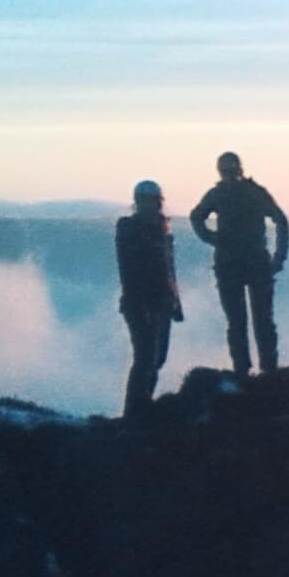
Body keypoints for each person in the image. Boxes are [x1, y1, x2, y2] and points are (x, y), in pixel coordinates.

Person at [189, 152, 289, 375]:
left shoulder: (221, 193)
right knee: (255, 321)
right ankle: (264, 370)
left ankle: (248, 371)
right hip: (249, 263)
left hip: (234, 264)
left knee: (243, 322)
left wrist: (212, 238)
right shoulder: (253, 192)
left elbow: (196, 217)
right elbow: (281, 220)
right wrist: (279, 258)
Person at [114, 179, 184, 419]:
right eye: (142, 200)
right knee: (145, 356)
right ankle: (133, 413)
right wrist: (137, 302)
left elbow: (169, 268)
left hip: (162, 301)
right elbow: (127, 268)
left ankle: (142, 408)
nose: (147, 205)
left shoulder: (163, 230)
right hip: (139, 302)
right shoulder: (128, 228)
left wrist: (176, 302)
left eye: (150, 200)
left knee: (157, 357)